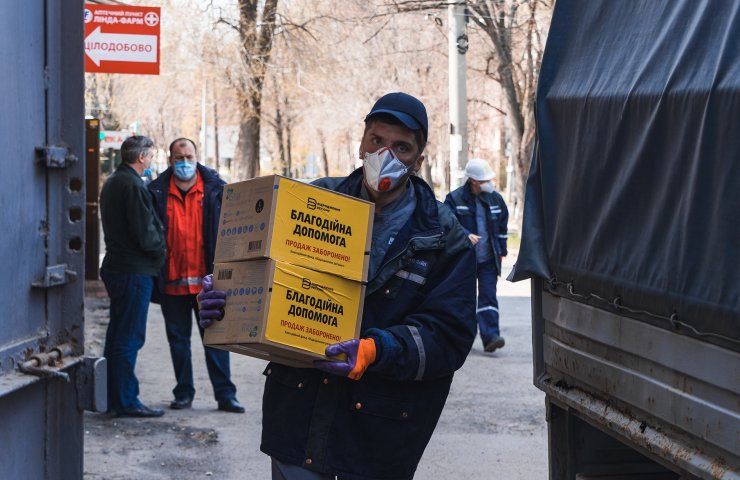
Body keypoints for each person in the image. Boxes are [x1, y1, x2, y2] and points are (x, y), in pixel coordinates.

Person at [198, 92, 478, 480]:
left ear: (419, 159)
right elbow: (264, 278)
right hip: (298, 415)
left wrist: (375, 350)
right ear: (361, 143)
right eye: (377, 141)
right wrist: (224, 298)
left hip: (378, 435)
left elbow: (450, 336)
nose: (386, 154)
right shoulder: (311, 202)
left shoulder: (444, 236)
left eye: (401, 146)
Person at [148, 138, 245, 413]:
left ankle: (226, 395)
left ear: (196, 156)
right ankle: (183, 393)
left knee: (216, 340)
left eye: (189, 156)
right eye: (179, 158)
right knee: (178, 343)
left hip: (209, 283)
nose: (185, 163)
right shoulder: (156, 191)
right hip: (172, 283)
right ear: (170, 160)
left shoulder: (216, 189)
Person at [99, 135, 167, 418]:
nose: (151, 162)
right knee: (129, 338)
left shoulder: (114, 182)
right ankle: (126, 400)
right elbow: (145, 235)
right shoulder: (132, 185)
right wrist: (162, 247)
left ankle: (112, 397)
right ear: (141, 158)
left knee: (117, 336)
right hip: (133, 271)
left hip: (118, 267)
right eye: (150, 157)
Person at [444, 159, 509, 353]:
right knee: (465, 300)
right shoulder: (454, 199)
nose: (489, 183)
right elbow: (447, 222)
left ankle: (491, 337)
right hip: (466, 259)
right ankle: (462, 339)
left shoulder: (495, 199)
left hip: (489, 259)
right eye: (484, 180)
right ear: (473, 181)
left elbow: (503, 227)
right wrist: (465, 234)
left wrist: (502, 252)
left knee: (489, 297)